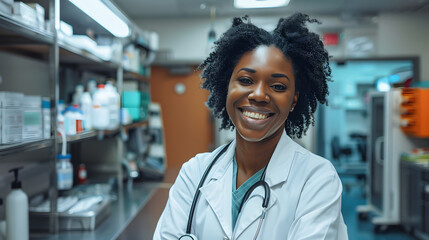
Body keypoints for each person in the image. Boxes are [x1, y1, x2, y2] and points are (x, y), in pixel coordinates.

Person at [154, 13, 348, 240]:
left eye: (277, 86)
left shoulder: (316, 179)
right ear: (227, 86)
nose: (258, 95)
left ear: (294, 100)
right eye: (246, 80)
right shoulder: (194, 173)